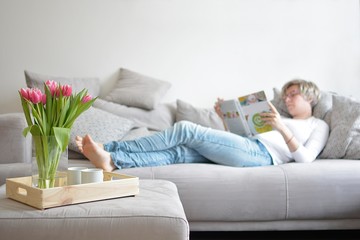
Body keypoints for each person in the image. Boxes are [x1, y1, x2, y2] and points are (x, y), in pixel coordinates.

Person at [75, 79, 329, 172]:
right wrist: (226, 118)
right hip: (249, 146)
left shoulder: (317, 125)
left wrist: (281, 128)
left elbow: (305, 159)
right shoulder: (282, 118)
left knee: (185, 129)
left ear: (310, 96)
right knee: (179, 153)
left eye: (293, 94)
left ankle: (109, 147)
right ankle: (114, 161)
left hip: (262, 155)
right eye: (285, 94)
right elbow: (241, 137)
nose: (287, 98)